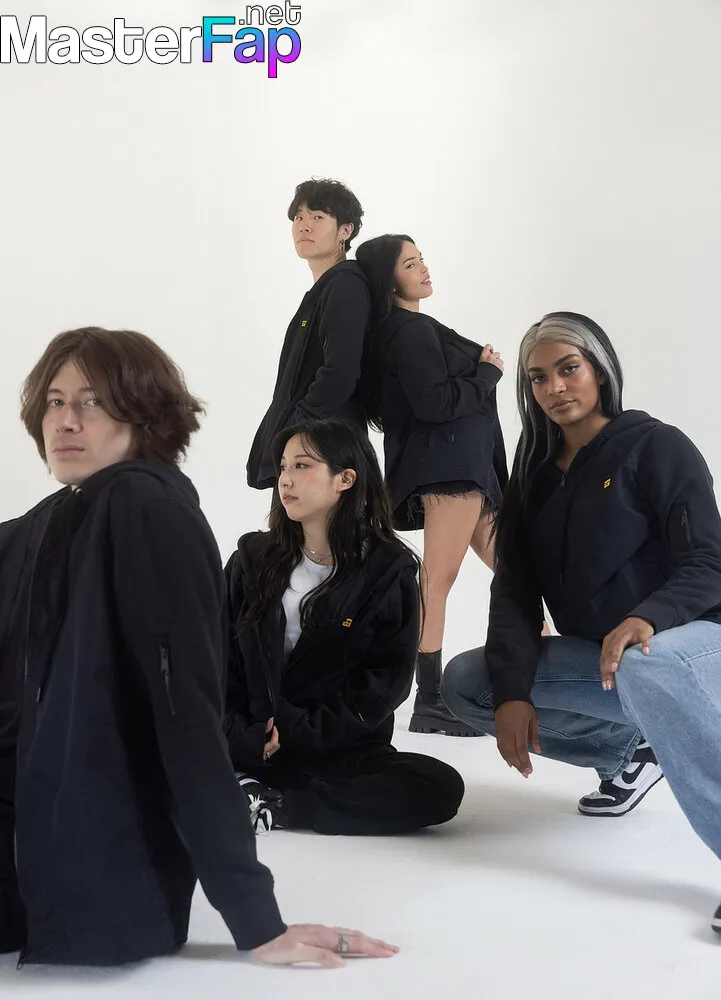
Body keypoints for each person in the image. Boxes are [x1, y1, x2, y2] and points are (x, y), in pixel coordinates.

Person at [0, 326, 399, 967]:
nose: (65, 421)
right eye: (54, 401)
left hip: (92, 874)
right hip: (38, 856)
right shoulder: (58, 517)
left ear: (144, 415)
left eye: (93, 401)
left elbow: (186, 720)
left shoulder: (146, 506)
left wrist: (255, 919)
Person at [441, 311, 721, 934]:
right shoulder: (534, 477)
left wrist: (648, 617)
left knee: (648, 662)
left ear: (601, 369)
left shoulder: (657, 446)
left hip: (697, 648)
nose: (555, 387)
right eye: (538, 378)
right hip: (612, 663)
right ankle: (630, 751)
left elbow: (709, 563)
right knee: (469, 683)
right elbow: (515, 590)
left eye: (569, 368)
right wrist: (513, 691)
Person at [226, 417, 465, 834]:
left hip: (335, 748)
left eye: (302, 465)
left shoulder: (388, 571)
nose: (285, 479)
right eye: (283, 467)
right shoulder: (252, 559)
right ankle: (244, 781)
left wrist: (299, 730)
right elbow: (214, 659)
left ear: (346, 479)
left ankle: (277, 804)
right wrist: (243, 735)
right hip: (250, 739)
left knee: (439, 787)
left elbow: (385, 684)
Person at [355, 234, 508, 737]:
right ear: (388, 279)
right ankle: (431, 699)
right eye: (410, 264)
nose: (423, 269)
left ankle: (541, 676)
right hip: (450, 470)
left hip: (466, 470)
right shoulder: (410, 331)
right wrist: (486, 374)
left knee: (516, 571)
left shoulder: (413, 328)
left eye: (421, 259)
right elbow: (434, 404)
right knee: (437, 581)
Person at [247, 178, 370, 491]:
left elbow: (340, 373)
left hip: (323, 456)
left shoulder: (345, 285)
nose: (304, 226)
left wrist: (295, 429)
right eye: (298, 217)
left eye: (318, 217)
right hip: (310, 453)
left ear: (345, 231)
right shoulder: (325, 289)